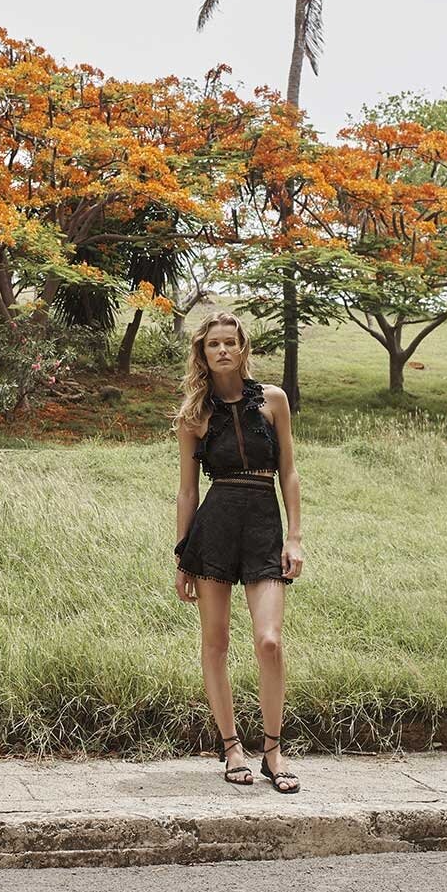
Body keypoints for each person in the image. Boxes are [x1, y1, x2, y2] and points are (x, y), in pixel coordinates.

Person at [171, 311, 304, 793]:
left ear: (243, 348)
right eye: (214, 344)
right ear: (203, 354)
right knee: (217, 642)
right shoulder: (194, 415)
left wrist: (295, 536)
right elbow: (188, 491)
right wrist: (182, 556)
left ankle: (273, 750)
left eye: (230, 342)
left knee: (269, 641)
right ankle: (231, 747)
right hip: (216, 529)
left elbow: (289, 471)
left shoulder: (273, 400)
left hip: (264, 527)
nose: (223, 350)